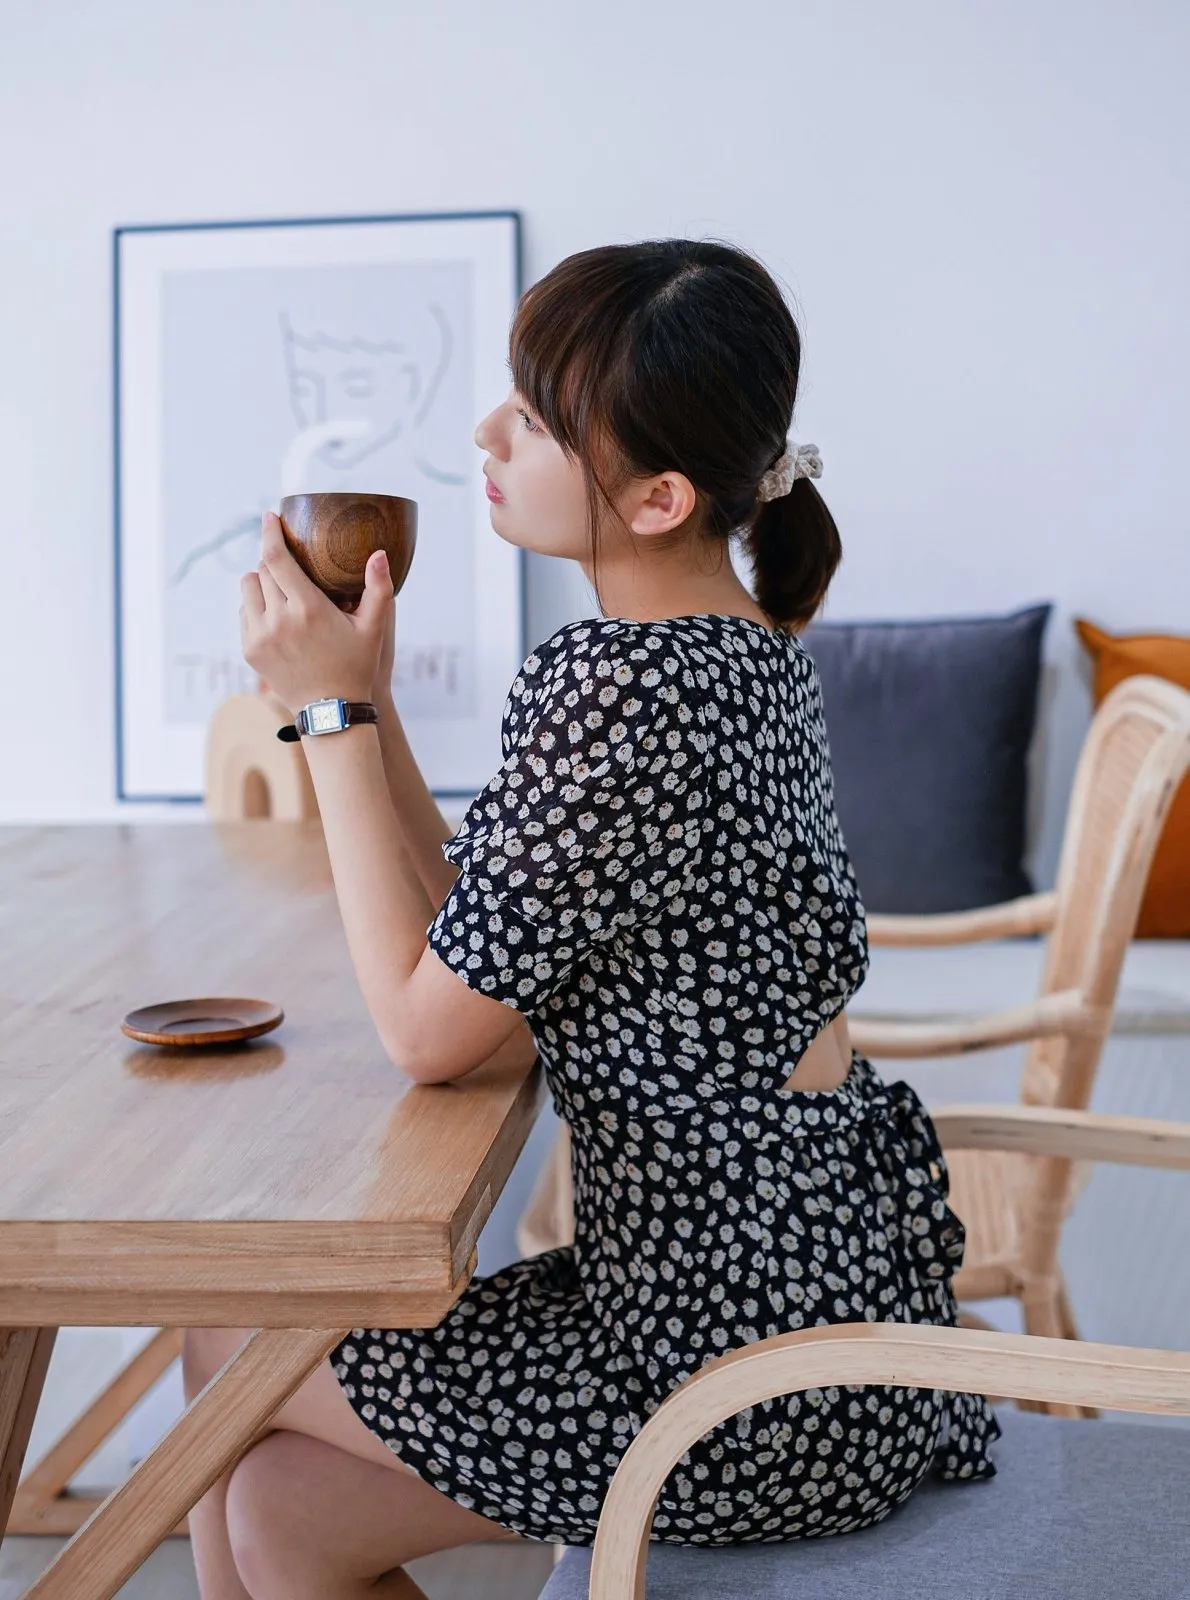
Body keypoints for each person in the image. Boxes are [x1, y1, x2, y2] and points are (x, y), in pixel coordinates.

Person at [183, 239, 998, 1600]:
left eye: (536, 418)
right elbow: (490, 949)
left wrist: (322, 714)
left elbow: (432, 1036)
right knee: (281, 1508)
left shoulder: (622, 686)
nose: (487, 433)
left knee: (226, 1351)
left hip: (728, 1381)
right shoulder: (740, 655)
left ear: (660, 494)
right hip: (825, 1326)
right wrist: (367, 702)